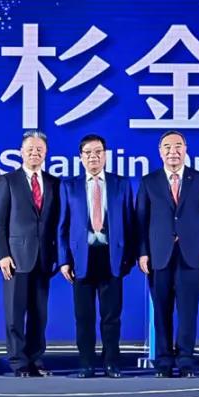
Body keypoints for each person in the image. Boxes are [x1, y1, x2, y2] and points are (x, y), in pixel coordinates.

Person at [136, 130, 199, 378]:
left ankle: (185, 360)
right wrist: (142, 252)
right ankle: (163, 361)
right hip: (158, 255)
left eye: (178, 146)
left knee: (188, 311)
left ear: (185, 149)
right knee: (161, 311)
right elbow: (141, 220)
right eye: (168, 147)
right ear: (160, 152)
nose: (173, 151)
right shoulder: (149, 181)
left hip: (191, 255)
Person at [58, 134, 136, 378]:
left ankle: (111, 362)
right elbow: (62, 226)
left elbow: (130, 222)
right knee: (84, 317)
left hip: (112, 258)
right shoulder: (69, 186)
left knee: (111, 317)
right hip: (81, 259)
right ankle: (86, 363)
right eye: (88, 153)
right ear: (81, 157)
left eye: (98, 152)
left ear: (105, 155)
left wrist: (129, 257)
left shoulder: (121, 184)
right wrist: (64, 260)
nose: (93, 157)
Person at [0, 130, 60, 377]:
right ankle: (18, 362)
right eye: (30, 149)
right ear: (21, 152)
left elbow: (57, 222)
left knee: (39, 315)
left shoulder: (53, 183)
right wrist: (2, 254)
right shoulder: (8, 181)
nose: (35, 153)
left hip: (44, 258)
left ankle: (36, 359)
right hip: (15, 258)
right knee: (15, 315)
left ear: (46, 153)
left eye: (39, 149)